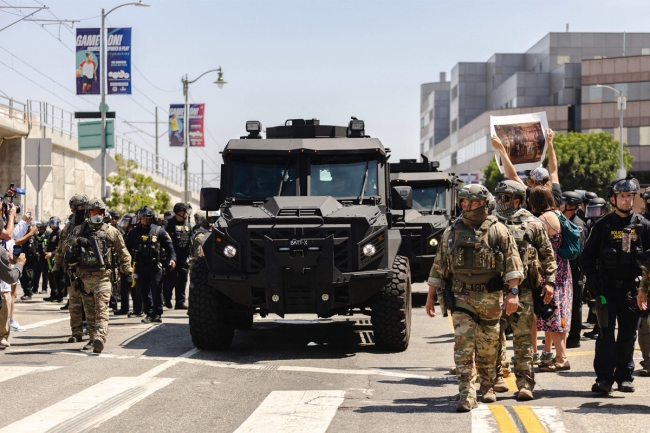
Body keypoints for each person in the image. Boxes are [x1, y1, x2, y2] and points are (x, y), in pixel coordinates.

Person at [426, 184, 524, 412]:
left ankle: (487, 386)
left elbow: (513, 263)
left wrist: (513, 293)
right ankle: (467, 395)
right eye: (465, 202)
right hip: (461, 297)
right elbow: (439, 265)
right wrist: (431, 296)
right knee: (463, 347)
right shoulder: (452, 232)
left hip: (490, 298)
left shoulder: (498, 230)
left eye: (475, 203)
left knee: (488, 348)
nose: (468, 206)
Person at [581, 176, 650, 393]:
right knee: (605, 334)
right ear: (613, 199)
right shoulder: (602, 225)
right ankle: (604, 379)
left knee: (628, 336)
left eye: (629, 196)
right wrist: (592, 280)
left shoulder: (644, 225)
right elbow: (587, 257)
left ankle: (624, 377)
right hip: (606, 289)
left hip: (633, 290)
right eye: (622, 196)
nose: (626, 200)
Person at [492, 180, 557, 401]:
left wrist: (549, 282)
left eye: (504, 198)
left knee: (523, 339)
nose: (499, 201)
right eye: (498, 196)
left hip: (525, 289)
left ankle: (525, 383)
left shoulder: (532, 224)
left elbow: (547, 254)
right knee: (493, 336)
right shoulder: (490, 222)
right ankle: (496, 377)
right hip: (494, 290)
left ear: (517, 200)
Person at [62, 198, 132, 353]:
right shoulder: (79, 229)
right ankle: (93, 338)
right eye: (94, 212)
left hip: (103, 277)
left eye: (100, 212)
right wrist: (77, 241)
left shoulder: (110, 231)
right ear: (88, 213)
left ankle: (100, 336)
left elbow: (123, 251)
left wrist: (127, 270)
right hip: (84, 278)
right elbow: (65, 246)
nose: (97, 215)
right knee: (90, 312)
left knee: (102, 308)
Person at [527, 186, 573, 372]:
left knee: (552, 315)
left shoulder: (542, 219)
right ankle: (559, 355)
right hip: (563, 269)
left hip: (551, 273)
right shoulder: (558, 215)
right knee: (559, 315)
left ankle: (561, 358)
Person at [125, 206, 176, 324]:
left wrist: (172, 259)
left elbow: (170, 247)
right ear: (139, 218)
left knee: (157, 288)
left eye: (148, 217)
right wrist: (124, 264)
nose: (145, 220)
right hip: (140, 266)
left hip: (155, 266)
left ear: (152, 218)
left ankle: (157, 314)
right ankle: (149, 313)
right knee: (144, 290)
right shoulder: (134, 232)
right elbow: (125, 250)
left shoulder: (159, 231)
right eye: (143, 217)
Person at [492, 130, 562, 208]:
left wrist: (501, 148)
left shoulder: (533, 195)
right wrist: (550, 143)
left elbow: (513, 176)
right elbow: (553, 171)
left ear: (534, 182)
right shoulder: (556, 194)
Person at [53, 194, 89, 341]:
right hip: (72, 269)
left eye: (85, 206)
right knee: (74, 304)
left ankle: (92, 330)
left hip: (90, 269)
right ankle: (76, 332)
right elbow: (61, 248)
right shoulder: (69, 227)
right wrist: (57, 267)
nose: (83, 209)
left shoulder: (92, 223)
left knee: (90, 302)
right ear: (74, 208)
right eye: (80, 206)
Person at [562, 191, 587, 349]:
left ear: (571, 205)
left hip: (575, 270)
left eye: (564, 201)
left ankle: (574, 337)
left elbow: (580, 251)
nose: (561, 204)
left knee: (575, 305)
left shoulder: (578, 225)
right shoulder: (565, 221)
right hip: (566, 270)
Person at [164, 202, 192, 310]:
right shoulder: (169, 225)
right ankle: (167, 298)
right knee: (171, 279)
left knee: (182, 279)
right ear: (179, 213)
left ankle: (180, 302)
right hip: (172, 256)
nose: (187, 214)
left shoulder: (188, 224)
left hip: (184, 256)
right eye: (185, 212)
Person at [115, 213, 141, 317]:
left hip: (134, 264)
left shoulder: (135, 233)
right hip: (125, 263)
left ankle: (137, 309)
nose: (124, 224)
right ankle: (124, 308)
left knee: (134, 287)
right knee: (124, 287)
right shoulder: (125, 233)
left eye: (127, 221)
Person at [44, 216, 64, 302]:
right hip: (51, 259)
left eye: (55, 223)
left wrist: (52, 253)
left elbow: (61, 248)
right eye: (52, 223)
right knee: (51, 277)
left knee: (58, 278)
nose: (53, 225)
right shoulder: (52, 233)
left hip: (57, 258)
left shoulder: (60, 233)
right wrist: (46, 249)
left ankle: (60, 296)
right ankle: (53, 295)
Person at [17, 221, 38, 301]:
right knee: (22, 276)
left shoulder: (30, 238)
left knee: (27, 275)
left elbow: (31, 249)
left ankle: (28, 293)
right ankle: (26, 292)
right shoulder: (24, 237)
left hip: (29, 259)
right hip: (24, 259)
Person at [31, 221, 50, 295]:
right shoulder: (37, 234)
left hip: (44, 257)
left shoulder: (48, 234)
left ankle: (44, 289)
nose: (38, 228)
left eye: (40, 227)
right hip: (37, 256)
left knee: (45, 274)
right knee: (36, 273)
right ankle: (34, 288)